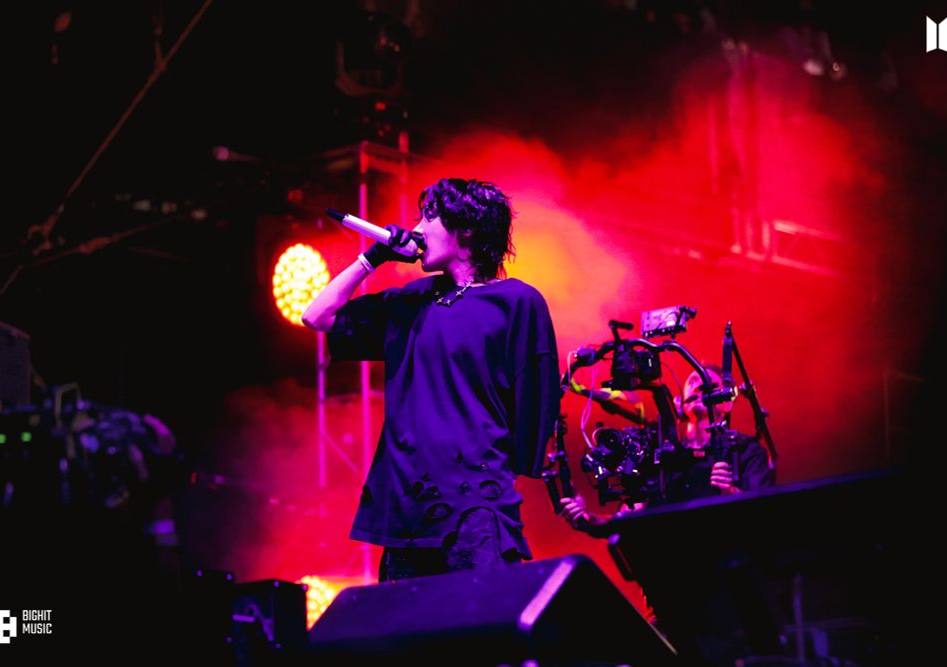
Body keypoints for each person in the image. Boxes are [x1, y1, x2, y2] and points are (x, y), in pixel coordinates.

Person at [302, 178, 560, 582]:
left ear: (467, 228)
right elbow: (317, 316)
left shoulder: (516, 301)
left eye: (430, 217)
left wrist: (521, 465)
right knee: (409, 621)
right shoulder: (410, 301)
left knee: (481, 617)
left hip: (476, 501)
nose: (417, 229)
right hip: (407, 504)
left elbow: (537, 394)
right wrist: (373, 258)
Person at [560, 365, 774, 530]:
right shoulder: (661, 455)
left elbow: (765, 519)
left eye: (708, 384)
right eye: (693, 382)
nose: (699, 386)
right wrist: (589, 518)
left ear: (727, 402)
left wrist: (732, 494)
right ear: (679, 403)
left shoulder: (747, 451)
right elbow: (630, 518)